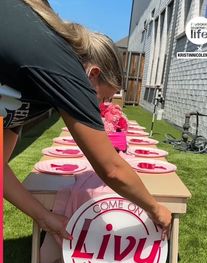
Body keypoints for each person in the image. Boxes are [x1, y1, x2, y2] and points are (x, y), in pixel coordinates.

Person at [1, 0, 171, 242]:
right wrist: (156, 209)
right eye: (103, 99)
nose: (101, 109)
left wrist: (43, 217)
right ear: (93, 75)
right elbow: (111, 169)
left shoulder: (35, 82)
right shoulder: (64, 69)